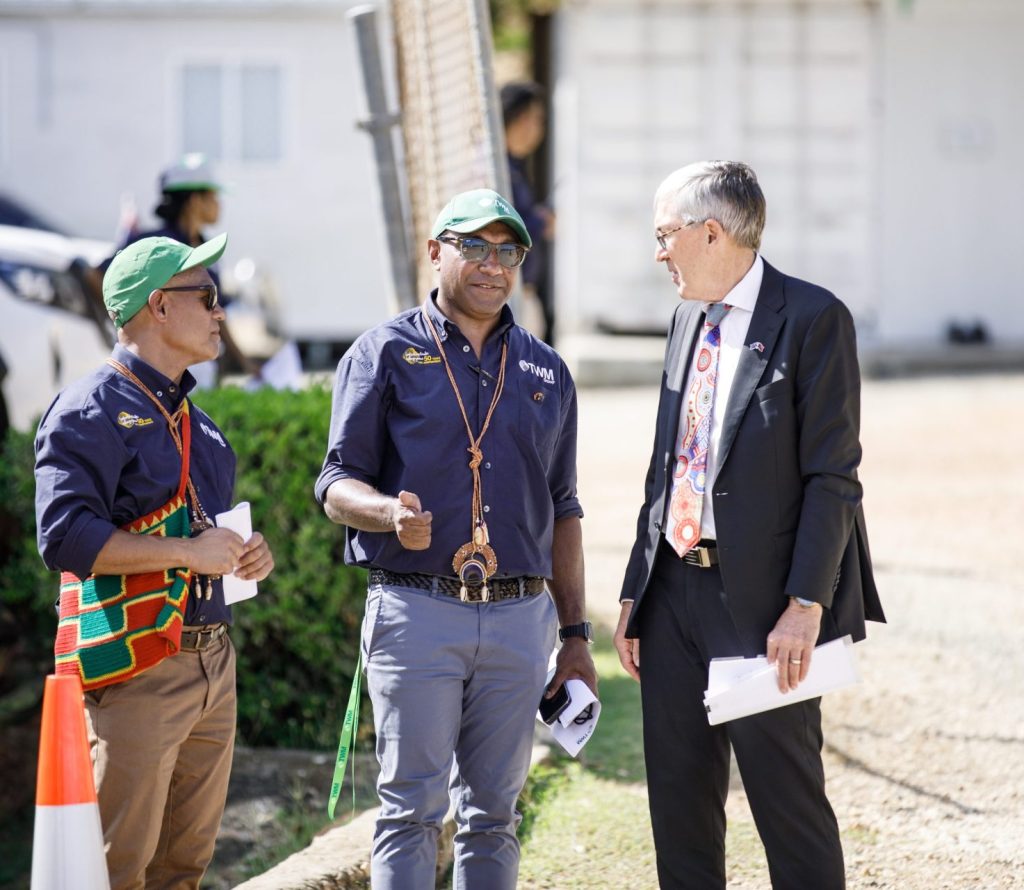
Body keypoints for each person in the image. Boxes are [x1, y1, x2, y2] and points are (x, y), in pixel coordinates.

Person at [613, 161, 886, 889]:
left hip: (765, 605)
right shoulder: (684, 318)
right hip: (673, 596)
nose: (658, 252)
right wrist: (634, 594)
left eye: (665, 234)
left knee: (786, 806)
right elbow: (666, 466)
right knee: (679, 807)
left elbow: (834, 477)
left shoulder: (812, 318)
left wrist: (806, 604)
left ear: (712, 232)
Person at [315, 188, 597, 889]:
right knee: (411, 809)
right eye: (473, 245)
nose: (491, 265)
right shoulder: (381, 353)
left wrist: (575, 635)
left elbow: (564, 509)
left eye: (508, 251)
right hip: (416, 611)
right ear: (435, 251)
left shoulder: (546, 370)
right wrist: (385, 514)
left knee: (494, 815)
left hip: (517, 618)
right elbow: (335, 482)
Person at [34, 234, 275, 889]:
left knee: (185, 867)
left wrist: (246, 555)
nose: (221, 311)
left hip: (212, 662)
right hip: (138, 669)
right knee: (117, 869)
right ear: (159, 307)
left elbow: (202, 541)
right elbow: (64, 538)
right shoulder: (87, 412)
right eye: (208, 297)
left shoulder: (204, 426)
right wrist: (188, 553)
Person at [100, 153, 259, 380]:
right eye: (213, 196)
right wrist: (119, 325)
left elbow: (215, 312)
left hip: (197, 370)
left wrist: (243, 362)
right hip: (156, 370)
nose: (219, 204)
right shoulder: (152, 248)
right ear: (195, 200)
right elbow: (96, 276)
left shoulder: (206, 248)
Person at [501, 81, 557, 345]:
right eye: (533, 119)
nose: (536, 129)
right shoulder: (495, 169)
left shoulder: (515, 167)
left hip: (521, 291)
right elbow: (501, 228)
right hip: (504, 295)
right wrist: (539, 221)